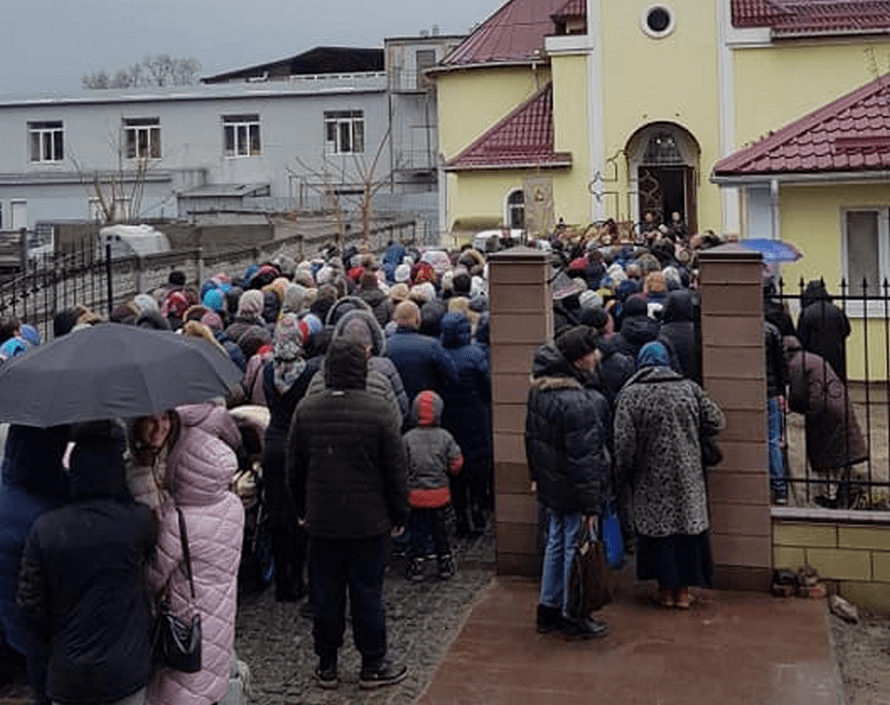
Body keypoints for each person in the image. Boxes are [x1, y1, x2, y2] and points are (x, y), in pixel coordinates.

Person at [287, 339, 409, 690]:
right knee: (367, 592)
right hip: (369, 522)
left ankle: (327, 663)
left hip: (322, 520)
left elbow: (295, 470)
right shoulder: (380, 411)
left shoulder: (306, 410)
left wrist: (301, 509)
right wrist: (400, 513)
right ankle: (373, 662)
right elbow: (395, 471)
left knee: (326, 592)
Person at [18, 421, 156, 705]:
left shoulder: (45, 529)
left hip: (69, 673)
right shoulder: (138, 522)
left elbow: (31, 608)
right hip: (126, 671)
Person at [145, 403, 244, 705]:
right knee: (210, 680)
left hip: (187, 619)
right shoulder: (232, 505)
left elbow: (151, 578)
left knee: (184, 689)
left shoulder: (179, 521)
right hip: (219, 614)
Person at [614, 342, 724, 609]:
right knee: (687, 531)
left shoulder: (632, 394)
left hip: (649, 478)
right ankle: (684, 592)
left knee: (659, 536)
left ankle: (665, 591)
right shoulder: (689, 388)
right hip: (688, 476)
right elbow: (717, 420)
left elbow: (623, 442)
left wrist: (623, 471)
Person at [525, 325, 611, 639]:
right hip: (574, 488)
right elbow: (585, 459)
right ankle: (572, 613)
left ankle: (548, 608)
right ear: (579, 360)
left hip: (551, 483)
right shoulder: (577, 401)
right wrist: (592, 503)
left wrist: (536, 475)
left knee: (556, 543)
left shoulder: (539, 390)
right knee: (576, 549)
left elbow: (530, 438)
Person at [785, 336, 867, 508]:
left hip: (823, 410)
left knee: (825, 453)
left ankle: (831, 496)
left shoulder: (795, 364)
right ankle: (840, 489)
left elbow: (798, 395)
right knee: (838, 449)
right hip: (838, 403)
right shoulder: (812, 358)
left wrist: (792, 406)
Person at [439, 311, 491, 537]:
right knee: (477, 464)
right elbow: (486, 386)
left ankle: (460, 515)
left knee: (455, 467)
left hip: (449, 417)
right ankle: (478, 508)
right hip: (475, 415)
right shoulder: (475, 354)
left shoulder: (439, 354)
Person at [403, 390, 463, 582]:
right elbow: (456, 463)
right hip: (440, 494)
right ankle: (444, 562)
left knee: (417, 531)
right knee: (441, 531)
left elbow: (401, 466)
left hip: (416, 495)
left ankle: (417, 564)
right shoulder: (445, 436)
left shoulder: (408, 438)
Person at [386, 300, 458, 404]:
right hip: (428, 407)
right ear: (418, 320)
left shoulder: (386, 346)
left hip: (396, 408)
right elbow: (452, 376)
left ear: (395, 320)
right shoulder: (432, 345)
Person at [797, 280, 851, 382]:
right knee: (835, 382)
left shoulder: (807, 312)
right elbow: (846, 330)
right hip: (836, 354)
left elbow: (801, 337)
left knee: (816, 382)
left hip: (813, 354)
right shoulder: (837, 310)